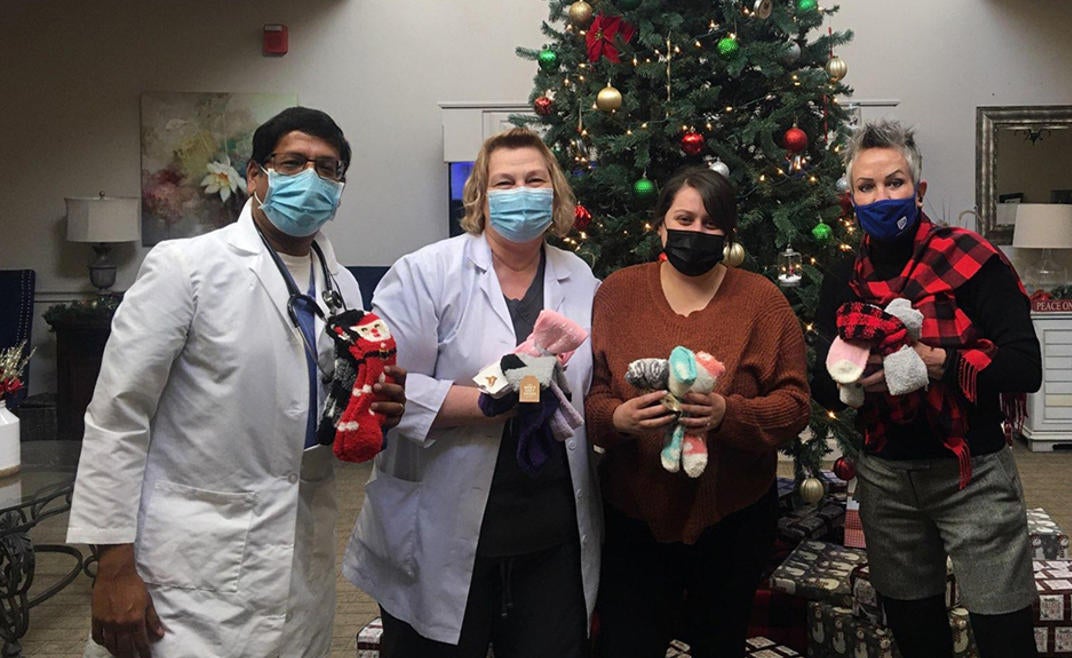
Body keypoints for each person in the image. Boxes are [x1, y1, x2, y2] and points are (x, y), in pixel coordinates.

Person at [66, 106, 407, 658]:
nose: (312, 179)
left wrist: (369, 401)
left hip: (302, 546)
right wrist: (113, 567)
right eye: (294, 163)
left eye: (328, 169)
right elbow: (117, 417)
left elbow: (316, 388)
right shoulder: (185, 267)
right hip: (192, 562)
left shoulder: (340, 282)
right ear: (255, 176)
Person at [342, 127, 602, 658]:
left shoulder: (581, 277)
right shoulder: (426, 273)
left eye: (535, 179)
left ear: (555, 193)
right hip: (442, 525)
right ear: (480, 198)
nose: (521, 192)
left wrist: (520, 383)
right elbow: (388, 387)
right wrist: (489, 399)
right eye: (504, 182)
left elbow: (580, 384)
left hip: (549, 530)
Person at [810, 119, 1041, 658]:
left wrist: (939, 362)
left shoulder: (973, 258)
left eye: (894, 182)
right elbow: (821, 381)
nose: (881, 196)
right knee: (915, 635)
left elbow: (1024, 367)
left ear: (919, 190)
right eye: (866, 187)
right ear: (852, 200)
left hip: (972, 470)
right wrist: (853, 380)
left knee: (1004, 633)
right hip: (886, 477)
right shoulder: (844, 274)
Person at [585, 167, 810, 658]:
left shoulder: (762, 302)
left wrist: (730, 413)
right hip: (632, 513)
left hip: (734, 515)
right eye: (684, 218)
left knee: (721, 643)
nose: (696, 232)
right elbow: (593, 393)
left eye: (711, 223)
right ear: (661, 226)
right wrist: (618, 420)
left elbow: (795, 404)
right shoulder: (616, 294)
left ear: (728, 233)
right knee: (627, 643)